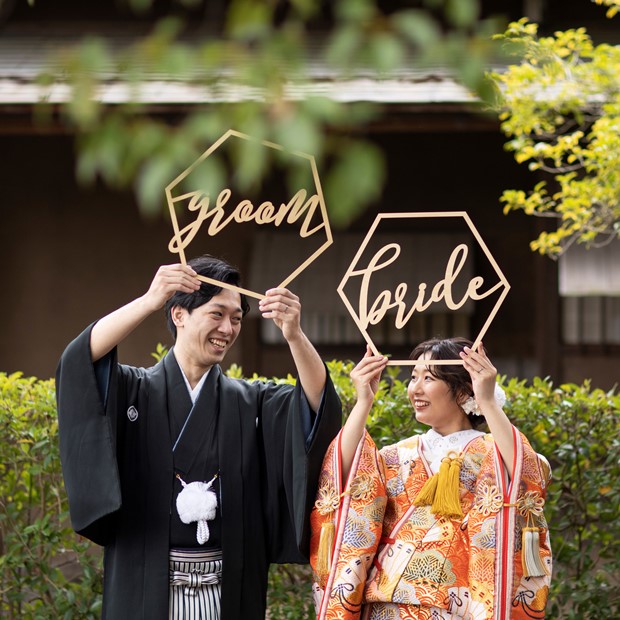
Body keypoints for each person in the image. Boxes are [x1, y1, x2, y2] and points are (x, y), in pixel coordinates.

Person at [56, 255, 341, 620]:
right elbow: (80, 363)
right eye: (217, 314)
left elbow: (316, 405)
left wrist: (294, 334)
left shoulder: (250, 400)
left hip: (227, 585)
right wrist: (149, 300)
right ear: (179, 314)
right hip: (145, 582)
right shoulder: (134, 390)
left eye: (237, 319)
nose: (228, 328)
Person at [310, 338, 552, 620]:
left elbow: (528, 477)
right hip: (385, 606)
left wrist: (486, 400)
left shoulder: (494, 453)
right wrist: (364, 401)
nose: (416, 388)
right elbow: (342, 477)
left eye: (429, 377)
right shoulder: (396, 455)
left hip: (454, 607)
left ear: (463, 392)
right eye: (413, 377)